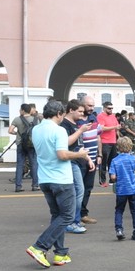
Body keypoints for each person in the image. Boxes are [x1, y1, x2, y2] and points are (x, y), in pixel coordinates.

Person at [25, 100, 94, 268]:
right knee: (68, 216)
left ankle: (60, 253)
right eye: (62, 114)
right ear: (59, 114)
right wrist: (81, 154)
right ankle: (40, 246)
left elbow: (50, 149)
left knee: (57, 215)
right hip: (61, 179)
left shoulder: (36, 129)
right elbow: (62, 154)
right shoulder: (59, 130)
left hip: (45, 178)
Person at [61, 100, 94, 234]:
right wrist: (80, 130)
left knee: (79, 191)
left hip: (78, 160)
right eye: (80, 111)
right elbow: (66, 142)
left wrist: (88, 158)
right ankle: (72, 221)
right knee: (78, 191)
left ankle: (74, 219)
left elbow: (79, 146)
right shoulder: (64, 125)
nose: (82, 114)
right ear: (70, 110)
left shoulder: (76, 124)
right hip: (71, 161)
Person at [109, 136, 135, 241]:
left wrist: (117, 179)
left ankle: (119, 229)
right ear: (130, 147)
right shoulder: (132, 159)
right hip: (133, 188)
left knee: (119, 210)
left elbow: (113, 177)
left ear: (118, 147)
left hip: (121, 190)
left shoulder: (115, 160)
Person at [78, 96, 101, 225]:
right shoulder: (77, 121)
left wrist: (99, 155)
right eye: (89, 106)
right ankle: (74, 215)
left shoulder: (94, 118)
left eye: (93, 105)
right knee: (78, 188)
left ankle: (83, 214)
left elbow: (98, 138)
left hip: (93, 159)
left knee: (87, 188)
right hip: (80, 160)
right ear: (82, 105)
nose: (91, 108)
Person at [8, 103, 38, 192]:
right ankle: (35, 185)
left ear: (23, 110)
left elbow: (10, 130)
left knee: (20, 165)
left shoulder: (17, 119)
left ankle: (18, 186)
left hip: (20, 144)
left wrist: (17, 133)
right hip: (32, 145)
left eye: (20, 109)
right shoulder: (35, 120)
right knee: (34, 164)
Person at [97, 101, 121, 187]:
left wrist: (119, 137)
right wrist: (115, 127)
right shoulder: (100, 116)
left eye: (112, 108)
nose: (111, 110)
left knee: (112, 162)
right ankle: (102, 181)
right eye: (109, 108)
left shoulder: (113, 116)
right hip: (104, 142)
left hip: (113, 141)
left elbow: (117, 127)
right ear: (104, 108)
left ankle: (112, 179)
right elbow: (102, 128)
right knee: (103, 163)